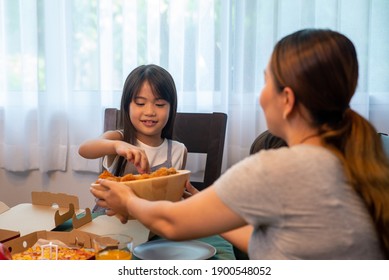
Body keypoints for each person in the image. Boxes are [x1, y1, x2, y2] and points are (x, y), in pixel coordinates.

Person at [90, 29, 389, 259]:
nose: (260, 96)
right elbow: (279, 245)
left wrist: (127, 201)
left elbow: (171, 223)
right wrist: (199, 203)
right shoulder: (354, 155)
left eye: (265, 82)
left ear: (287, 100)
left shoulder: (273, 166)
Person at [79, 64, 187, 212]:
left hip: (151, 224)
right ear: (127, 106)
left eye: (160, 104)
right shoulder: (119, 138)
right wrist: (117, 146)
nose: (149, 111)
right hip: (110, 222)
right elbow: (84, 149)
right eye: (140, 103)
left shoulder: (178, 151)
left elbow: (174, 197)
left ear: (171, 107)